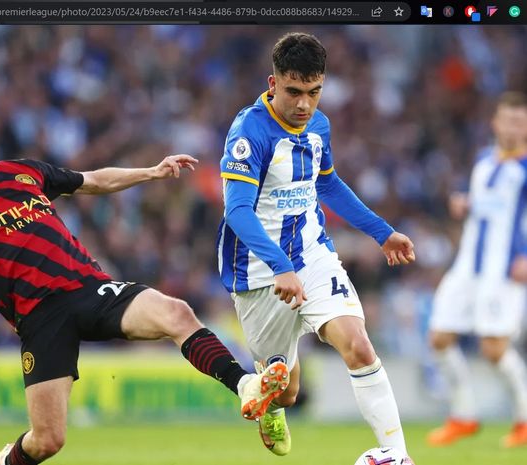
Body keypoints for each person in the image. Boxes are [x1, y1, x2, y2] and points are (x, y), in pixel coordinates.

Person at [0, 100, 290, 465]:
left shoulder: (21, 172)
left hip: (88, 289)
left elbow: (91, 180)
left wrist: (151, 171)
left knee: (177, 313)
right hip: (40, 318)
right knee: (48, 441)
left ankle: (248, 388)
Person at [216, 32, 416, 459]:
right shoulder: (249, 132)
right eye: (293, 92)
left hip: (311, 254)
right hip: (258, 271)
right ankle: (274, 407)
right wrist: (279, 266)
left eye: (314, 92)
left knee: (358, 344)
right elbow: (237, 211)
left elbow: (327, 183)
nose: (304, 104)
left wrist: (383, 232)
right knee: (287, 392)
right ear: (273, 84)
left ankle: (397, 455)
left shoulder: (318, 126)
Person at [427, 91, 527, 448]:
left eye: (521, 121)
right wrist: (462, 203)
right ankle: (464, 416)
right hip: (467, 266)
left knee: (494, 349)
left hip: (503, 270)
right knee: (439, 337)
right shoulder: (483, 160)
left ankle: (525, 420)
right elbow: (483, 208)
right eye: (509, 120)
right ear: (495, 123)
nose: (514, 127)